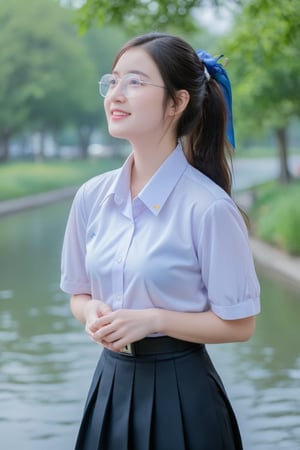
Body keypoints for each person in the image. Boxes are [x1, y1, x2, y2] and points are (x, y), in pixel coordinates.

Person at [60, 32, 260, 450]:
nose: (116, 94)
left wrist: (154, 319)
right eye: (112, 81)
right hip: (110, 386)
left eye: (135, 82)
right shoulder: (91, 198)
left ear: (177, 102)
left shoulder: (208, 208)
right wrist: (90, 311)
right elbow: (78, 294)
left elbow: (240, 324)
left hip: (182, 396)